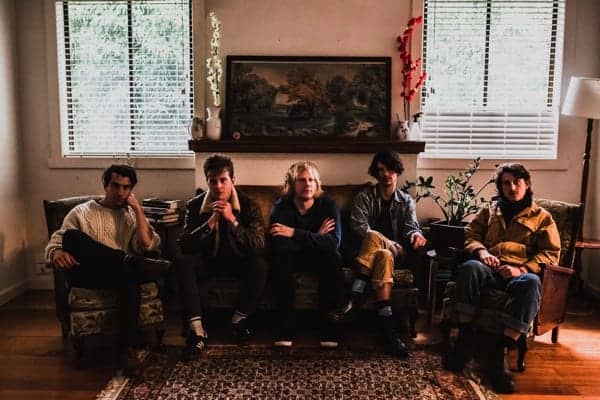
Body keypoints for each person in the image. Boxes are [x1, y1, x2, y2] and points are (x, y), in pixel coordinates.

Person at [443, 163, 560, 394]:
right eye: (506, 183)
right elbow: (471, 235)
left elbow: (550, 254)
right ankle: (464, 340)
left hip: (519, 273)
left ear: (527, 184)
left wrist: (522, 269)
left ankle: (500, 354)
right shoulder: (489, 211)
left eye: (517, 182)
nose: (512, 187)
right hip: (489, 268)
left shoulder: (542, 217)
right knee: (470, 268)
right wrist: (481, 252)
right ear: (500, 186)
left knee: (531, 283)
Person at [45, 164, 171, 377]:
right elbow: (58, 239)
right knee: (72, 237)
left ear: (131, 190)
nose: (120, 192)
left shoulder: (131, 215)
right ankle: (128, 261)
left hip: (119, 274)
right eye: (115, 186)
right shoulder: (82, 211)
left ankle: (127, 349)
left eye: (126, 188)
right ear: (105, 186)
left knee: (128, 275)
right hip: (88, 273)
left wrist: (138, 210)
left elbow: (148, 244)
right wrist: (56, 252)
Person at [177, 154, 268, 360]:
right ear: (207, 181)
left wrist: (232, 220)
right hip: (209, 260)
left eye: (223, 180)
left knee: (260, 265)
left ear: (232, 180)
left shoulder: (249, 205)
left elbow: (259, 245)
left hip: (238, 260)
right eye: (213, 181)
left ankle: (239, 319)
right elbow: (184, 244)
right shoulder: (195, 205)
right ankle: (197, 331)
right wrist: (210, 223)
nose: (218, 186)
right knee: (184, 263)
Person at [348, 151, 427, 358]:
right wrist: (384, 241)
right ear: (376, 173)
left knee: (376, 239)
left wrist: (416, 234)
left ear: (397, 171)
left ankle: (355, 294)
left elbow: (411, 227)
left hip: (398, 251)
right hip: (378, 254)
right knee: (382, 252)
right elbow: (358, 227)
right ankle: (388, 329)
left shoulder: (406, 201)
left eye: (390, 169)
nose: (386, 174)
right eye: (381, 170)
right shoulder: (364, 197)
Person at [269, 161, 350, 348]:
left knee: (333, 257)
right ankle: (286, 327)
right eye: (302, 180)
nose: (307, 184)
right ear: (292, 183)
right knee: (280, 258)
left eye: (311, 180)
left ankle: (328, 326)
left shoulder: (328, 205)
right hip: (291, 259)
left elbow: (333, 243)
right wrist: (316, 237)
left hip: (319, 258)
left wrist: (294, 233)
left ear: (317, 183)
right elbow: (279, 245)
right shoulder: (281, 207)